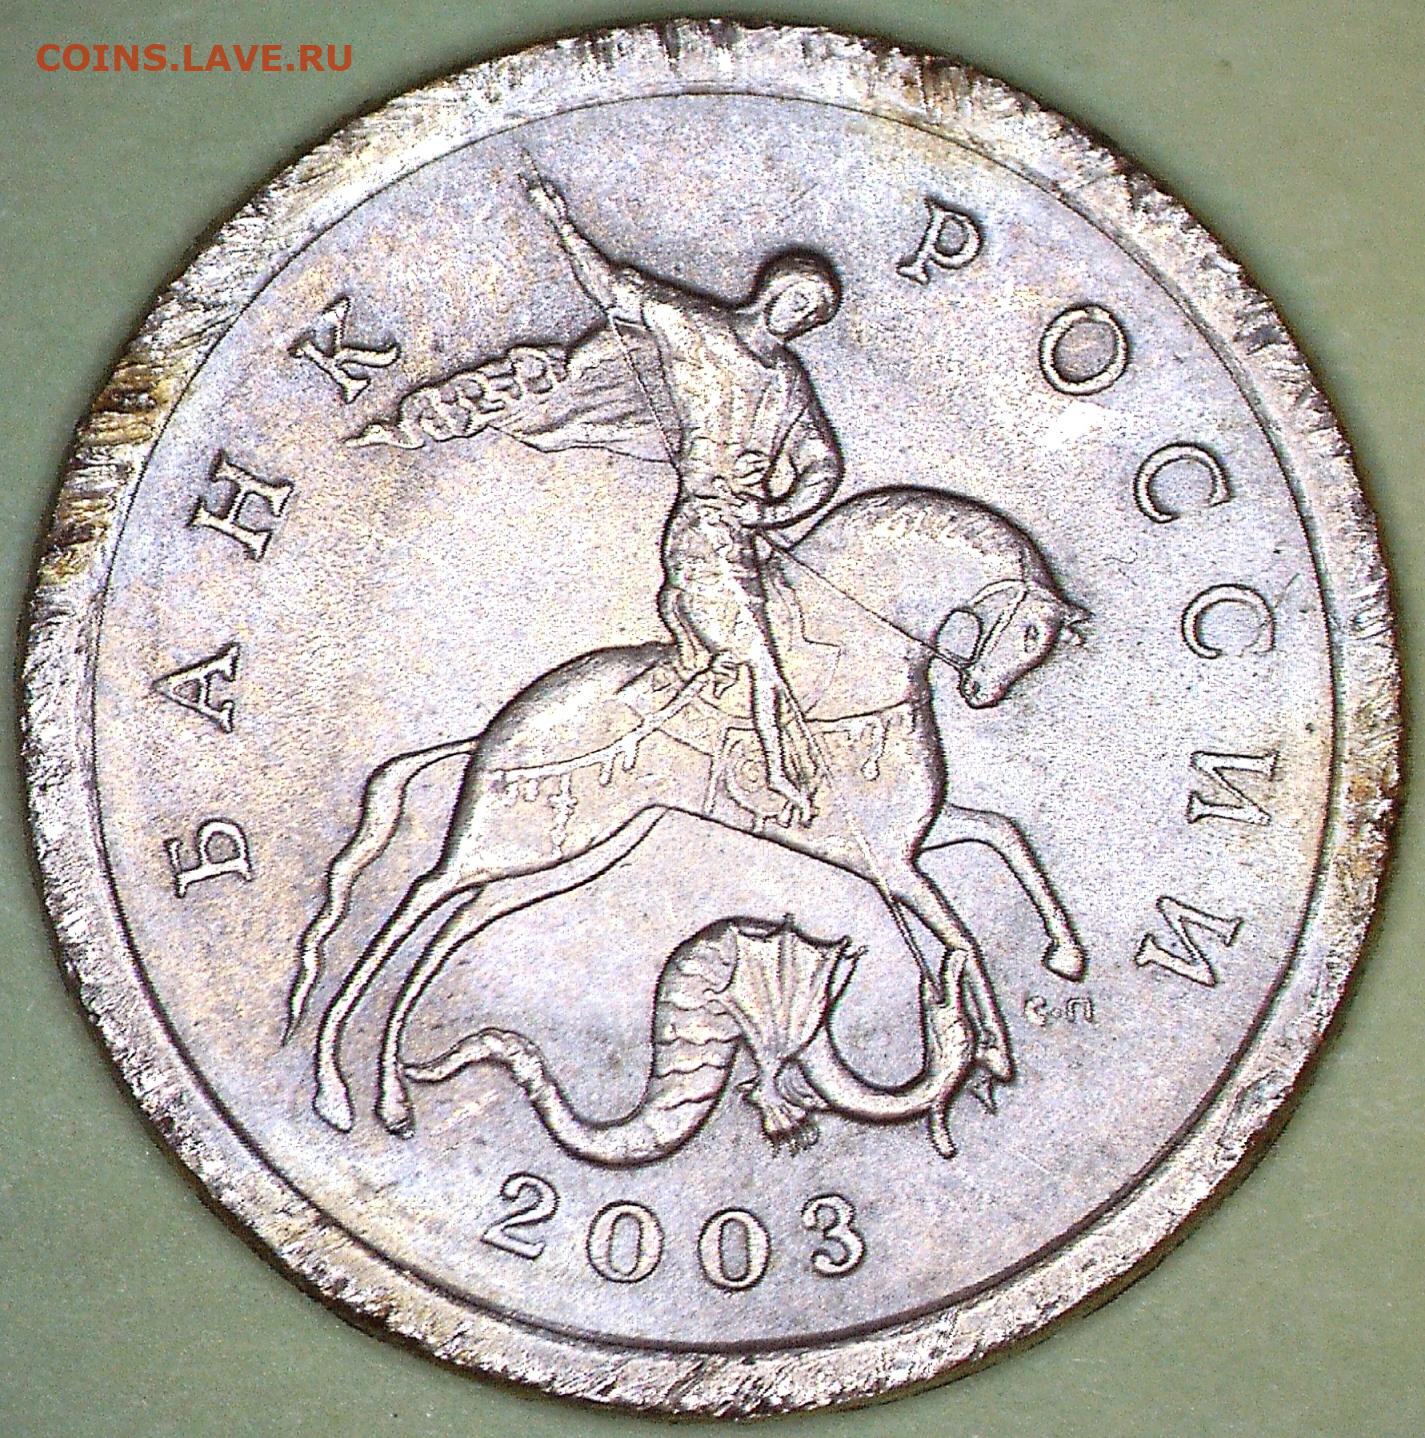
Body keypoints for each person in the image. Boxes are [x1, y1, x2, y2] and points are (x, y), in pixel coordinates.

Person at [525, 173, 844, 823]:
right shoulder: (700, 331)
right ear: (775, 288)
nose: (804, 317)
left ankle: (722, 729)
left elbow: (822, 463)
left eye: (814, 314)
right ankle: (777, 777)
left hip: (747, 531)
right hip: (702, 529)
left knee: (797, 634)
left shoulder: (787, 380)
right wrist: (561, 224)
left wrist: (774, 511)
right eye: (801, 300)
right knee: (758, 657)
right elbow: (617, 290)